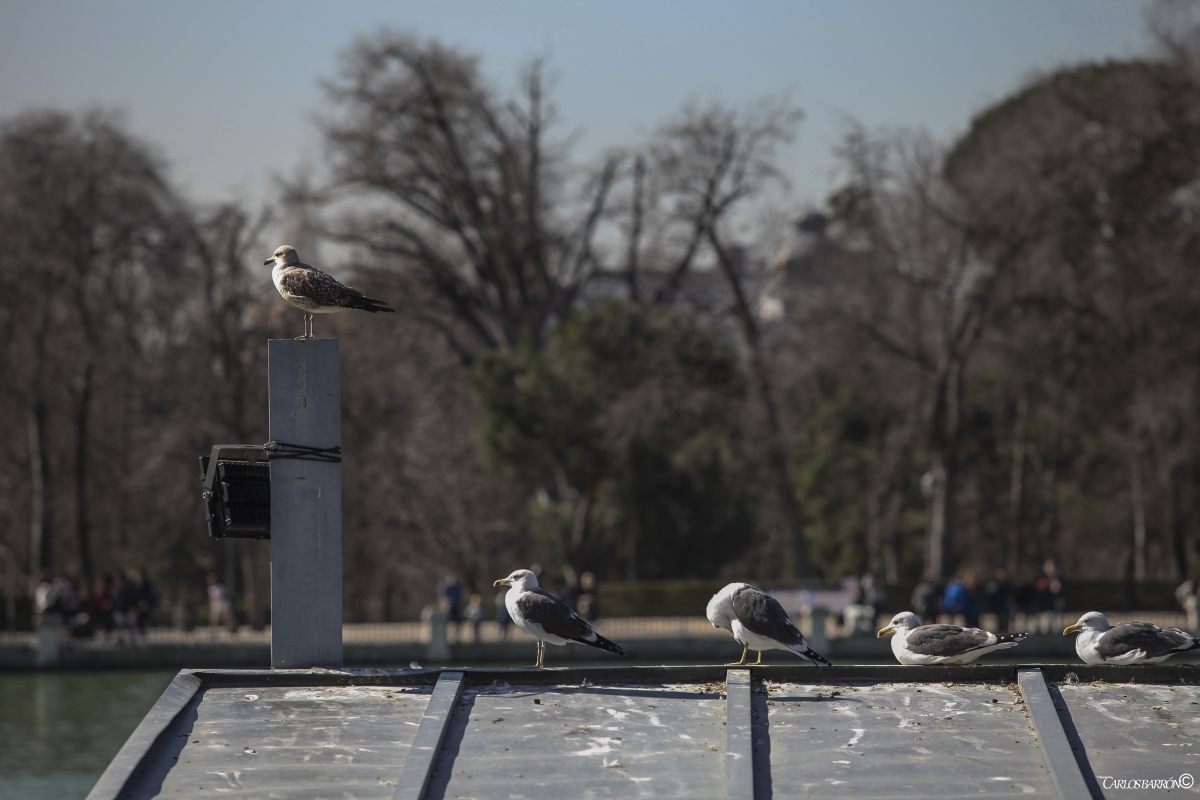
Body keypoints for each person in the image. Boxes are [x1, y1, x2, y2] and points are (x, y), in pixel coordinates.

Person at [986, 568, 1013, 633]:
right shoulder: (993, 586)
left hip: (1004, 606)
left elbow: (1009, 596)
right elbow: (989, 597)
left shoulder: (1006, 585)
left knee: (1005, 622)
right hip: (995, 607)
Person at [436, 574, 463, 642]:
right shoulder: (445, 587)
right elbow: (442, 597)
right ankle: (446, 636)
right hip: (448, 607)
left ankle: (457, 636)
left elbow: (460, 597)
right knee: (446, 622)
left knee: (457, 622)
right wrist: (444, 605)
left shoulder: (457, 587)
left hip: (456, 606)